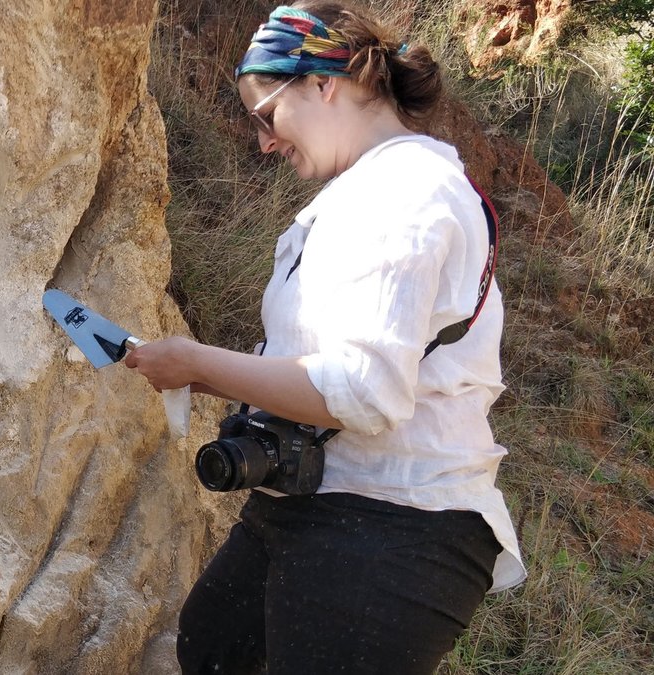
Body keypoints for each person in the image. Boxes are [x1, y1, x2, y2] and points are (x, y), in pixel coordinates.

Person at [124, 1, 526, 672]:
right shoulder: (362, 192)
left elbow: (363, 391)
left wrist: (201, 361)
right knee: (213, 644)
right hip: (318, 502)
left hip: (396, 520)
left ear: (323, 83)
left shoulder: (408, 192)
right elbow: (316, 361)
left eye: (266, 116)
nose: (264, 142)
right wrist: (206, 372)